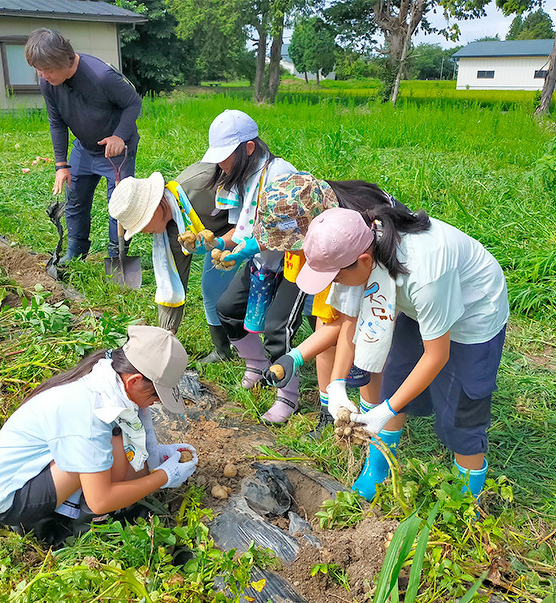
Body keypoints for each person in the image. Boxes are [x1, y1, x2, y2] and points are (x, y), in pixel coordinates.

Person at [296, 206, 509, 502]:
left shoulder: (426, 274)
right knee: (395, 376)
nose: (334, 284)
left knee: (462, 411)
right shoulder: (360, 249)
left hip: (474, 314)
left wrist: (385, 411)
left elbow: (437, 355)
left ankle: (465, 498)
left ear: (364, 261)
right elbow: (350, 319)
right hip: (416, 304)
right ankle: (377, 471)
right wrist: (337, 385)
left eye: (335, 278)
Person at [0, 326, 198, 546]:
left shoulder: (105, 379)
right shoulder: (91, 410)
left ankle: (72, 507)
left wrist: (157, 456)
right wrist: (163, 477)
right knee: (115, 447)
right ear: (134, 381)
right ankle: (79, 526)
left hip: (30, 473)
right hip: (9, 498)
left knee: (119, 449)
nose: (156, 402)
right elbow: (100, 500)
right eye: (157, 395)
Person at [257, 177, 408, 435]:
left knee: (372, 344)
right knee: (326, 322)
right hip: (342, 259)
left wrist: (305, 360)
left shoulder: (355, 235)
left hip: (388, 276)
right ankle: (333, 411)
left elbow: (355, 319)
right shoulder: (327, 219)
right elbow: (333, 320)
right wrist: (296, 357)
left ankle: (370, 419)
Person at [200, 109, 300, 425]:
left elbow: (288, 230)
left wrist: (241, 253)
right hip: (260, 261)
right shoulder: (240, 178)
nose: (221, 163)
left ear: (249, 148)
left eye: (226, 155)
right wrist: (218, 244)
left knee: (276, 328)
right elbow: (240, 228)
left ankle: (288, 396)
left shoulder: (280, 174)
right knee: (226, 308)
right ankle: (256, 365)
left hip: (292, 263)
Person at [25, 28, 142, 263]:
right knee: (75, 200)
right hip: (84, 150)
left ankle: (116, 258)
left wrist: (119, 136)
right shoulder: (49, 83)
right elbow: (56, 122)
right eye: (38, 69)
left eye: (47, 69)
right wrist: (61, 165)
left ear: (64, 60)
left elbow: (133, 102)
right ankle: (76, 252)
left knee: (118, 206)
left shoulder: (101, 76)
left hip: (116, 152)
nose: (43, 75)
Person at [108, 162, 235, 361]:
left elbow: (250, 203)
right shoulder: (171, 230)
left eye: (141, 225)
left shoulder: (202, 185)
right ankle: (222, 351)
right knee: (211, 290)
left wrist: (232, 240)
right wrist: (165, 335)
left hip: (254, 226)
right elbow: (173, 279)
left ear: (156, 208)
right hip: (221, 241)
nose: (142, 232)